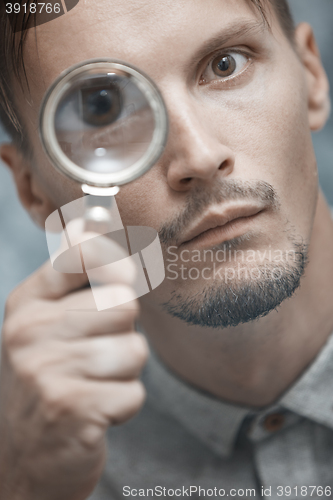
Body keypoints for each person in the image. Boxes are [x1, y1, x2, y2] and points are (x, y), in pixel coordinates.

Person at [0, 0, 333, 498]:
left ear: (310, 74)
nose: (198, 156)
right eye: (102, 108)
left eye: (226, 64)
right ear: (33, 190)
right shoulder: (37, 465)